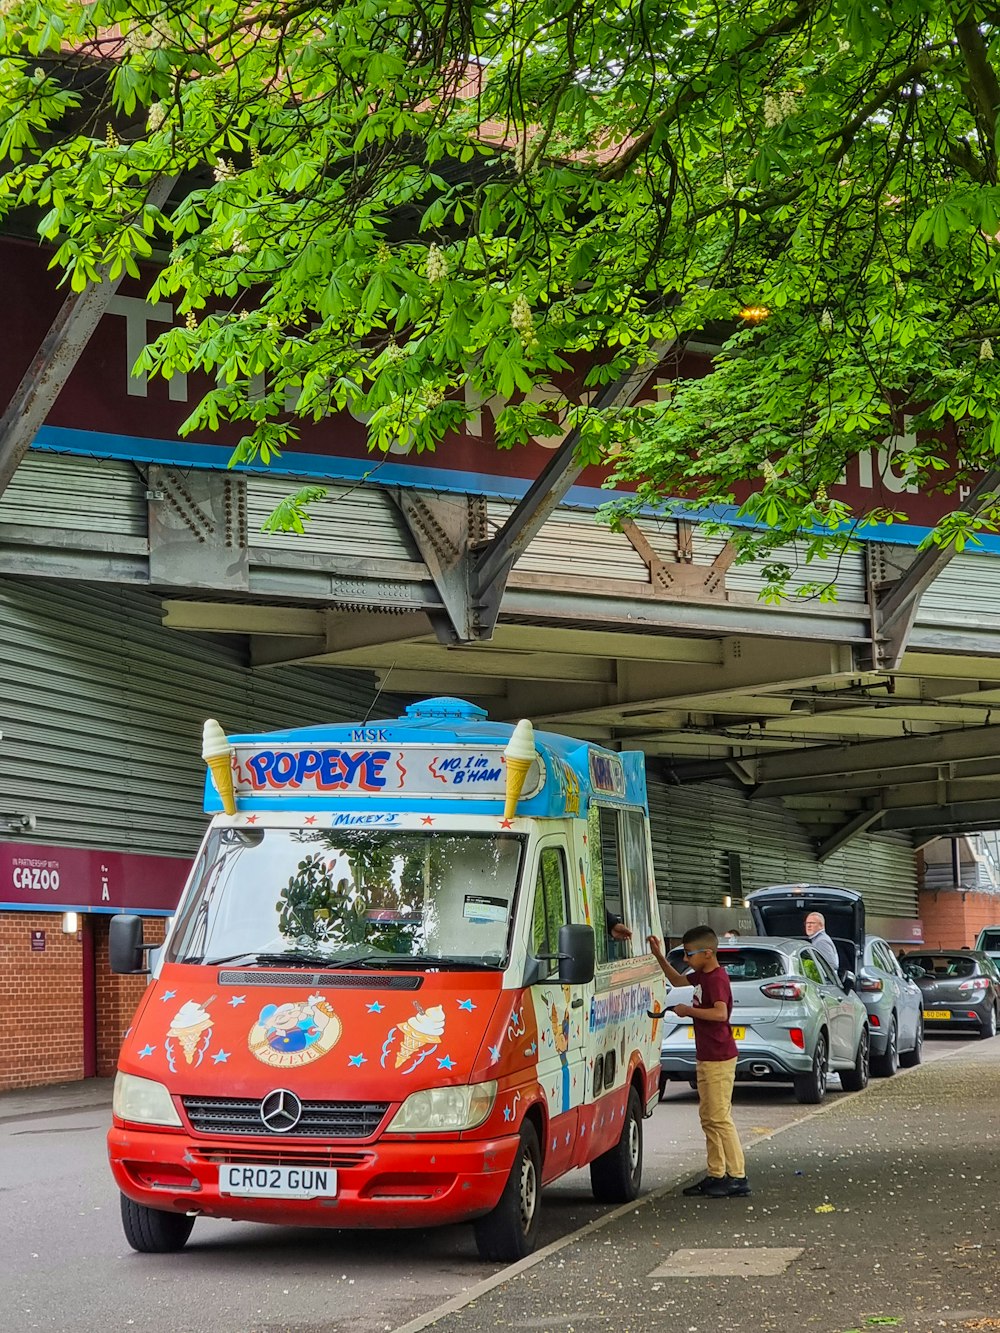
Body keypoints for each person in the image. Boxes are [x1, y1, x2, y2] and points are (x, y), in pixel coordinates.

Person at [647, 925, 750, 1198]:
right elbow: (678, 981)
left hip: (719, 1056)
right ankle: (716, 1173)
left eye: (689, 954)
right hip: (706, 1055)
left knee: (719, 1117)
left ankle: (737, 1175)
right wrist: (658, 955)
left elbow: (720, 1014)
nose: (685, 960)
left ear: (707, 953)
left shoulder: (716, 978)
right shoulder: (702, 975)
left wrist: (687, 1010)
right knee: (708, 1118)